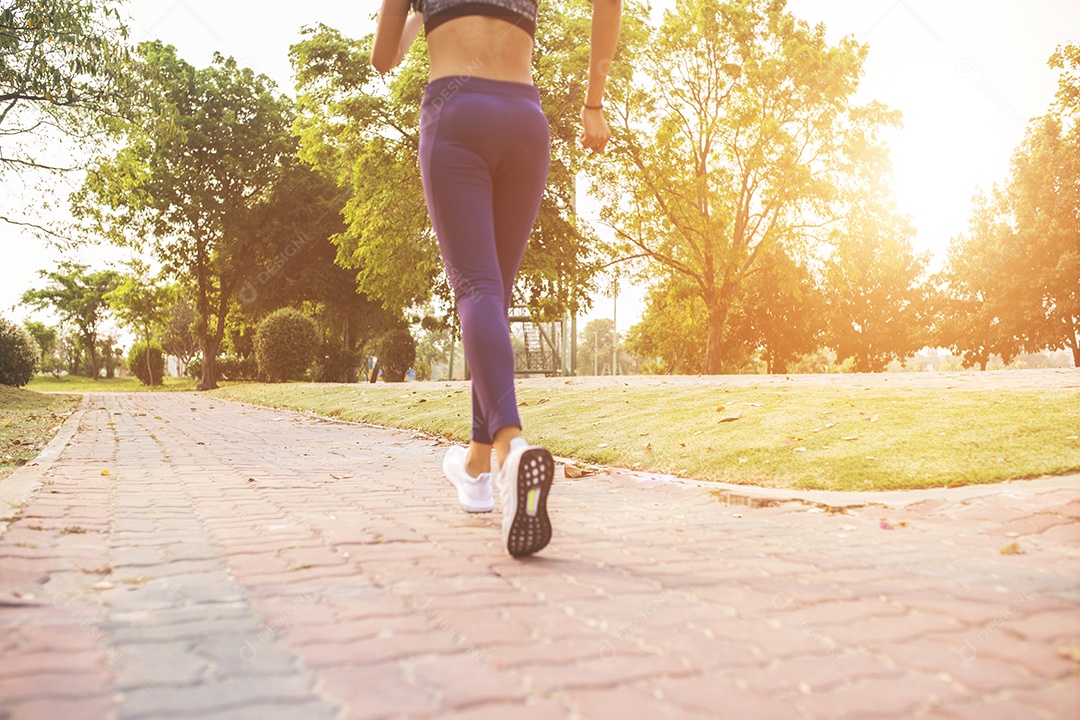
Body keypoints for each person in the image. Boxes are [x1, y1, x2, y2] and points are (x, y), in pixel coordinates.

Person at [372, 0, 622, 557]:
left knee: (477, 290)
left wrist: (416, 16)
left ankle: (510, 450)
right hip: (524, 122)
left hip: (457, 115)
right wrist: (593, 104)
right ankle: (477, 468)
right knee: (493, 298)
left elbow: (384, 58)